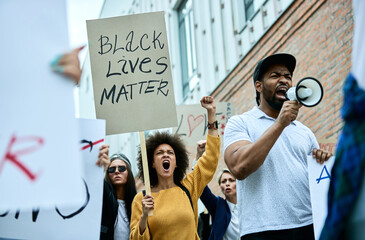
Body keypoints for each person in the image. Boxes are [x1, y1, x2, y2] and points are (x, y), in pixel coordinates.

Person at [224, 53, 333, 240]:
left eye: (288, 76)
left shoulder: (304, 131)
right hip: (263, 230)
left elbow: (319, 181)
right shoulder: (240, 123)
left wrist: (322, 160)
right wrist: (280, 124)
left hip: (308, 226)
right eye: (275, 75)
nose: (284, 80)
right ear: (258, 86)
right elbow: (239, 167)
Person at [129, 96, 220, 240]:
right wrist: (144, 216)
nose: (166, 155)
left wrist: (211, 114)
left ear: (176, 162)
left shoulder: (189, 187)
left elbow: (211, 158)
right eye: (160, 153)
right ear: (152, 163)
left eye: (170, 153)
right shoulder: (141, 199)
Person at [196, 140, 240, 240]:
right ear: (221, 187)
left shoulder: (248, 206)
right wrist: (199, 156)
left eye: (231, 180)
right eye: (223, 182)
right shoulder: (218, 206)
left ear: (238, 184)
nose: (227, 184)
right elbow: (201, 185)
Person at [97, 144, 137, 240]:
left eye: (121, 168)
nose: (117, 171)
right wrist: (100, 169)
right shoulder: (103, 199)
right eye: (111, 169)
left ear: (129, 173)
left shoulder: (137, 202)